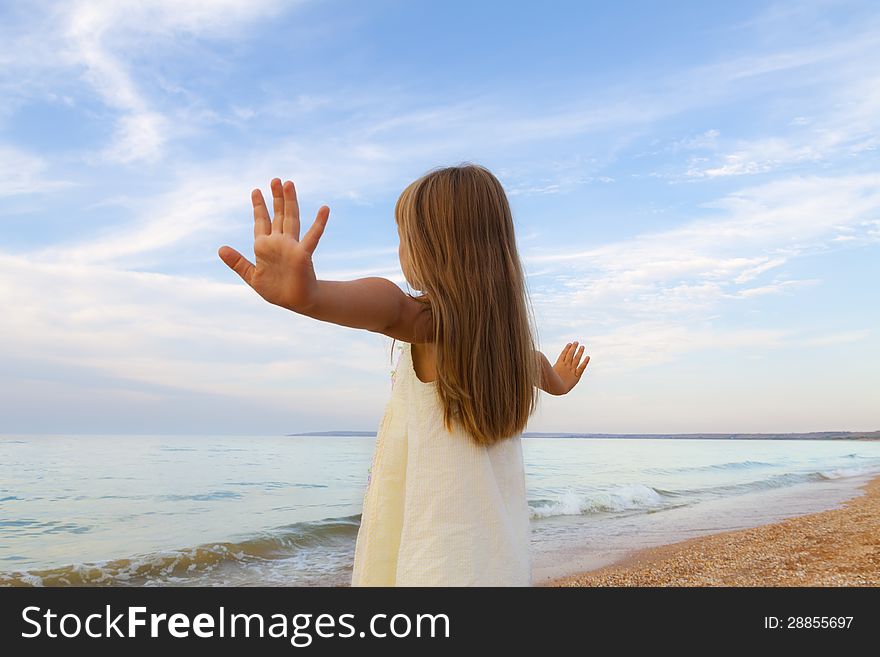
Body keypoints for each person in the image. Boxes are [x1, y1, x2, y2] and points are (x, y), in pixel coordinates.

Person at [218, 163, 590, 586]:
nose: (400, 251)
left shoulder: (428, 324)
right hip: (494, 557)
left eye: (404, 238)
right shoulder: (507, 347)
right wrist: (559, 383)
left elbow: (388, 306)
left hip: (433, 559)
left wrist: (312, 298)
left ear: (436, 248)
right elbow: (540, 368)